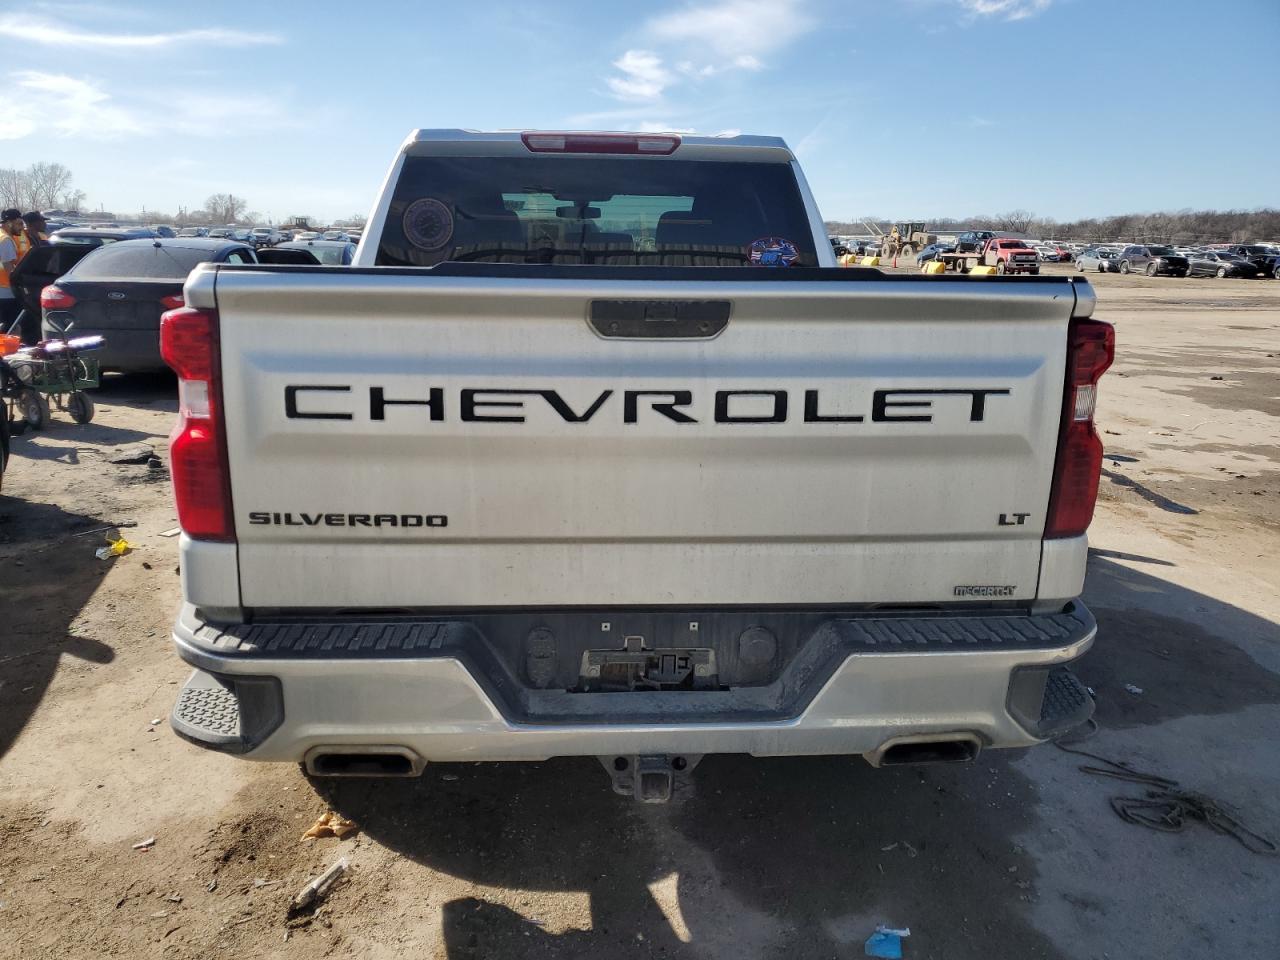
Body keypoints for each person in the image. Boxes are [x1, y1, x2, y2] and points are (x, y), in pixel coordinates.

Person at [0, 208, 23, 338]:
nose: (22, 227)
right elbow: (9, 267)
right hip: (6, 291)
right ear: (9, 223)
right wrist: (19, 287)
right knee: (11, 328)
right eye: (19, 223)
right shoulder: (5, 240)